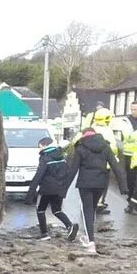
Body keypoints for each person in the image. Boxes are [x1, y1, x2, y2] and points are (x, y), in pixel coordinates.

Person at [65, 126, 127, 254]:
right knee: (91, 209)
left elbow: (73, 169)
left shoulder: (80, 147)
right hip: (101, 184)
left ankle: (91, 242)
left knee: (86, 210)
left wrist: (63, 189)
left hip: (85, 183)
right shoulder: (105, 146)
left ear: (83, 135)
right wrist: (123, 187)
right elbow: (115, 166)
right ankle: (89, 236)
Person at [25, 137, 79, 242]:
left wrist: (30, 195)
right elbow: (67, 173)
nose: (38, 149)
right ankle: (70, 226)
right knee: (57, 210)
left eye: (39, 147)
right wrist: (63, 188)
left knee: (40, 209)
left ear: (44, 146)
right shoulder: (62, 157)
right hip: (59, 188)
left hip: (46, 189)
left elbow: (38, 176)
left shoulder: (45, 158)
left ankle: (44, 234)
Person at [90, 107, 117, 212]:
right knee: (103, 185)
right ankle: (99, 204)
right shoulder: (107, 130)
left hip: (93, 163)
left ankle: (93, 202)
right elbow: (112, 148)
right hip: (105, 163)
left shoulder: (92, 128)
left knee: (93, 184)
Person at [121, 100, 137, 204]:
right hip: (129, 153)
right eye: (132, 109)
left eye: (135, 109)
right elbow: (127, 136)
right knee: (131, 177)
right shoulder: (126, 120)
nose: (133, 111)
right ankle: (130, 198)